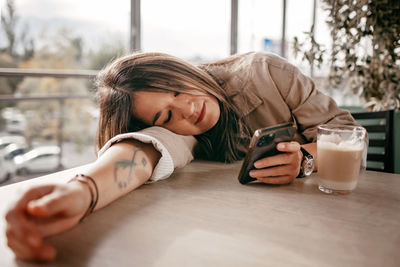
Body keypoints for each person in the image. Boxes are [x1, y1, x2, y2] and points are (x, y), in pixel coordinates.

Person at [4, 51, 357, 261]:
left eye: (176, 89)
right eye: (165, 116)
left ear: (181, 70)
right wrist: (83, 192)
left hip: (332, 225)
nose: (188, 109)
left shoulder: (265, 72)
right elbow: (142, 150)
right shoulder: (176, 134)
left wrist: (305, 161)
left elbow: (344, 129)